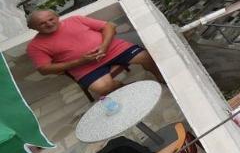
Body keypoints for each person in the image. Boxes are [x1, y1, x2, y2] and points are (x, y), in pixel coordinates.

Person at [26, 9, 160, 98]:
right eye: (42, 24)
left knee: (147, 57)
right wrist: (80, 61)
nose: (49, 24)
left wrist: (104, 46)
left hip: (113, 49)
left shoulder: (75, 20)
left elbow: (109, 26)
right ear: (34, 28)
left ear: (56, 16)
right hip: (85, 67)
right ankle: (131, 89)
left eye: (51, 19)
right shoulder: (35, 46)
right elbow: (44, 69)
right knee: (103, 89)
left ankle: (162, 79)